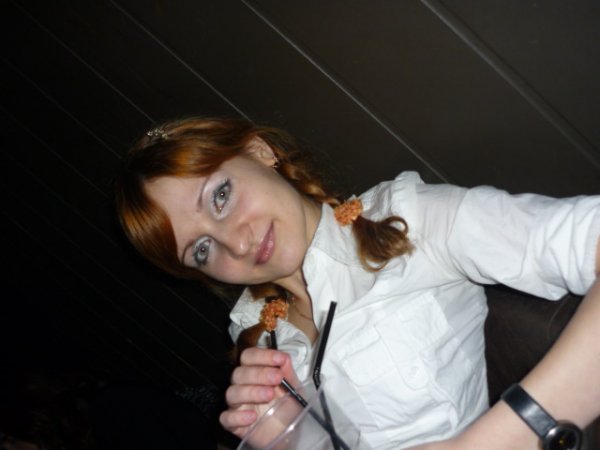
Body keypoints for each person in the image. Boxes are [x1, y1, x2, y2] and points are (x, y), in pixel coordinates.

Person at [114, 116, 600, 450]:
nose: (237, 244)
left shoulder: (410, 219)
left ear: (259, 152)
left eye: (220, 196)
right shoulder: (257, 335)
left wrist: (500, 438)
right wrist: (289, 440)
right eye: (201, 249)